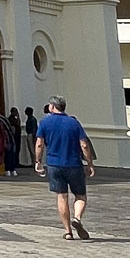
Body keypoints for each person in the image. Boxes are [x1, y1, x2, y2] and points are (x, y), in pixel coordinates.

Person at [34, 96, 94, 240]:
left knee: (62, 197)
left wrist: (38, 161)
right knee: (80, 195)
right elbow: (84, 144)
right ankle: (77, 218)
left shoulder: (45, 122)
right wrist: (90, 163)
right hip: (74, 164)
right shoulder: (73, 123)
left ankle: (68, 232)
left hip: (54, 164)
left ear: (52, 106)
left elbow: (39, 144)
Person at [5, 109, 22, 176]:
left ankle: (14, 166)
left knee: (15, 152)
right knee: (10, 154)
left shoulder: (15, 118)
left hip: (15, 137)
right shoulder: (11, 119)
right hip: (11, 139)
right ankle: (10, 168)